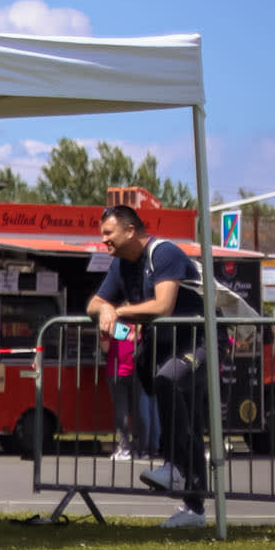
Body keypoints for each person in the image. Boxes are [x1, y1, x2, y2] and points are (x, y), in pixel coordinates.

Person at [87, 204, 209, 528]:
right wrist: (105, 310)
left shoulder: (164, 252)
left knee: (168, 382)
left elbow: (164, 306)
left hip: (200, 340)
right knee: (189, 420)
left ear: (130, 230)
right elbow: (93, 303)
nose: (104, 241)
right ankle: (194, 509)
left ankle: (177, 470)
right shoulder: (121, 264)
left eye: (108, 234)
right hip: (166, 344)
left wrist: (119, 311)